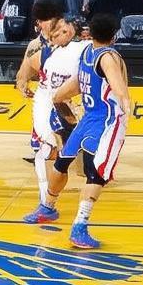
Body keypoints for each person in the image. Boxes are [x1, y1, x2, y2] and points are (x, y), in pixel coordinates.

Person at [22, 13, 130, 249]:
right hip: (106, 121)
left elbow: (79, 83)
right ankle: (79, 227)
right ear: (114, 36)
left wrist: (58, 96)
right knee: (96, 174)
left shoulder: (87, 52)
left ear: (91, 34)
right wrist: (126, 107)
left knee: (62, 163)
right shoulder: (108, 57)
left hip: (88, 118)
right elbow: (118, 88)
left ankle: (47, 207)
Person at [20, 15, 90, 209]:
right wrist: (22, 80)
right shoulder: (43, 51)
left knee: (84, 161)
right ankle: (46, 202)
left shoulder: (85, 49)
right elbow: (27, 65)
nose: (59, 33)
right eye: (56, 31)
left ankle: (88, 177)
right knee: (48, 151)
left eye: (64, 30)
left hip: (75, 103)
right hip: (48, 101)